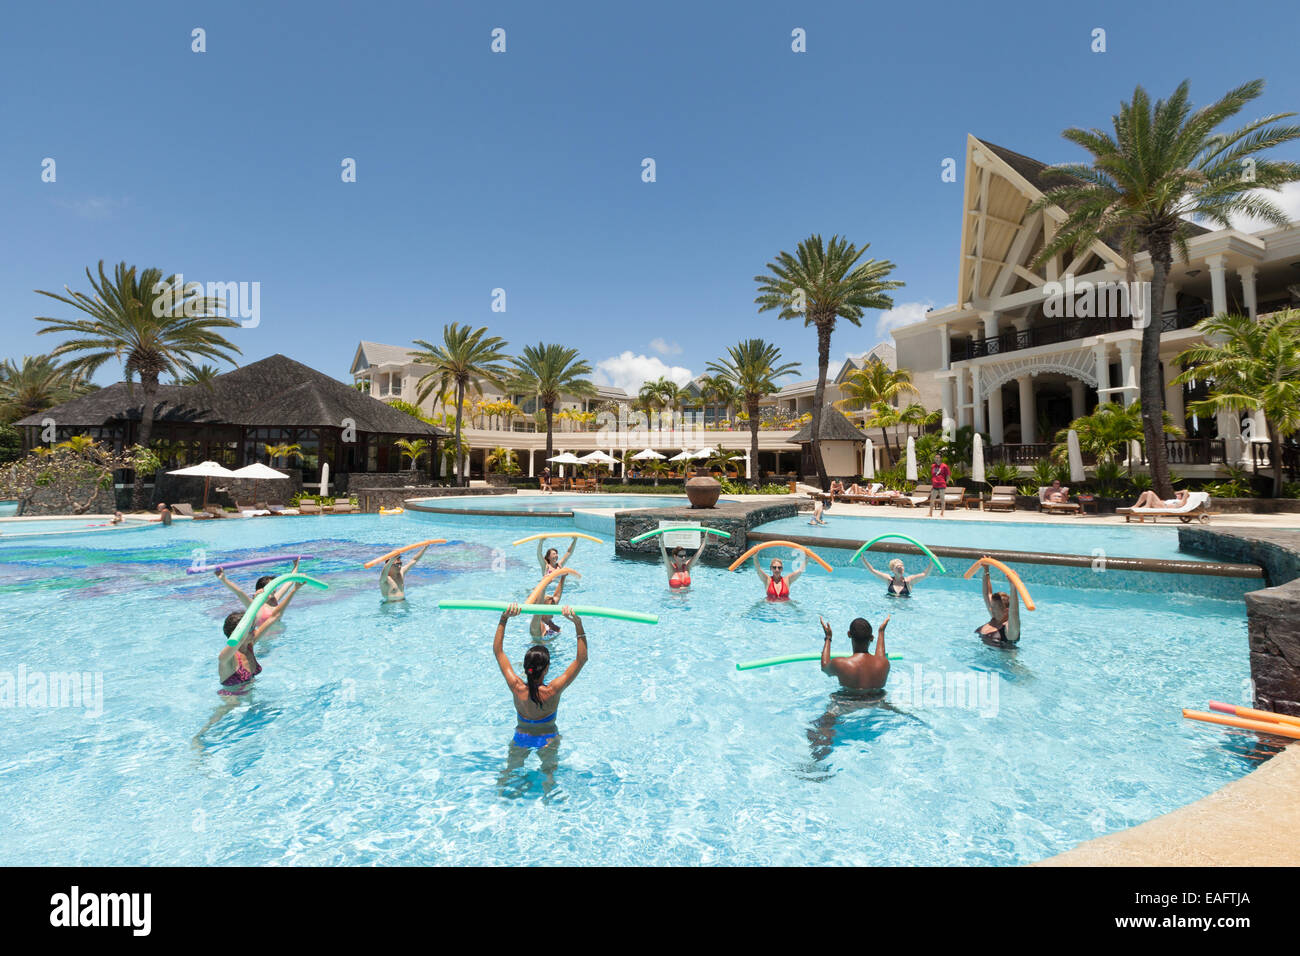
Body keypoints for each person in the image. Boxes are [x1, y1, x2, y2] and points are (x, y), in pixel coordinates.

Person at [494, 603, 587, 751]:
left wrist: (504, 618)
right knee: (549, 773)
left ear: (525, 667)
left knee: (509, 773)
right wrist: (578, 624)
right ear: (547, 669)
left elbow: (498, 652)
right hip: (548, 739)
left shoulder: (516, 687)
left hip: (521, 737)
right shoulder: (553, 690)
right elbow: (581, 660)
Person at [216, 581, 305, 695]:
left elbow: (275, 616)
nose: (254, 630)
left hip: (250, 694)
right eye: (250, 628)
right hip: (231, 702)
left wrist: (294, 590)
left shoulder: (250, 644)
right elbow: (236, 642)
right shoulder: (227, 658)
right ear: (237, 632)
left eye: (253, 627)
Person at [216, 558, 301, 629]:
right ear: (263, 589)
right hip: (264, 640)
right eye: (272, 586)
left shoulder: (274, 599)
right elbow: (239, 593)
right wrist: (224, 579)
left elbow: (289, 582)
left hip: (281, 635)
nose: (275, 588)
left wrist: (296, 565)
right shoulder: (254, 605)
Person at [819, 615, 890, 691]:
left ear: (849, 634)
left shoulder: (841, 663)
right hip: (878, 701)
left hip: (848, 701)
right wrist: (881, 632)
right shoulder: (884, 663)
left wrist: (828, 638)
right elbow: (880, 658)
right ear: (872, 638)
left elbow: (824, 667)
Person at [976, 559, 1021, 647]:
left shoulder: (1010, 629)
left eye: (995, 608)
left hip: (1003, 660)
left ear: (1006, 611)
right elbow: (987, 593)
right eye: (992, 606)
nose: (991, 609)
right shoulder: (995, 618)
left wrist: (1013, 586)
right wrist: (986, 570)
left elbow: (1014, 612)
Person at [861, 556, 931, 597]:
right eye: (898, 567)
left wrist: (932, 562)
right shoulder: (889, 580)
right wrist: (862, 558)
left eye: (902, 566)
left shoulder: (909, 581)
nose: (901, 568)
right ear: (892, 570)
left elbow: (925, 574)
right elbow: (872, 570)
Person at [529, 572, 568, 639]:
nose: (554, 609)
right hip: (538, 649)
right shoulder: (536, 625)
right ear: (543, 609)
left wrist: (563, 577)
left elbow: (557, 596)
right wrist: (544, 586)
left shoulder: (549, 621)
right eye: (551, 607)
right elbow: (539, 607)